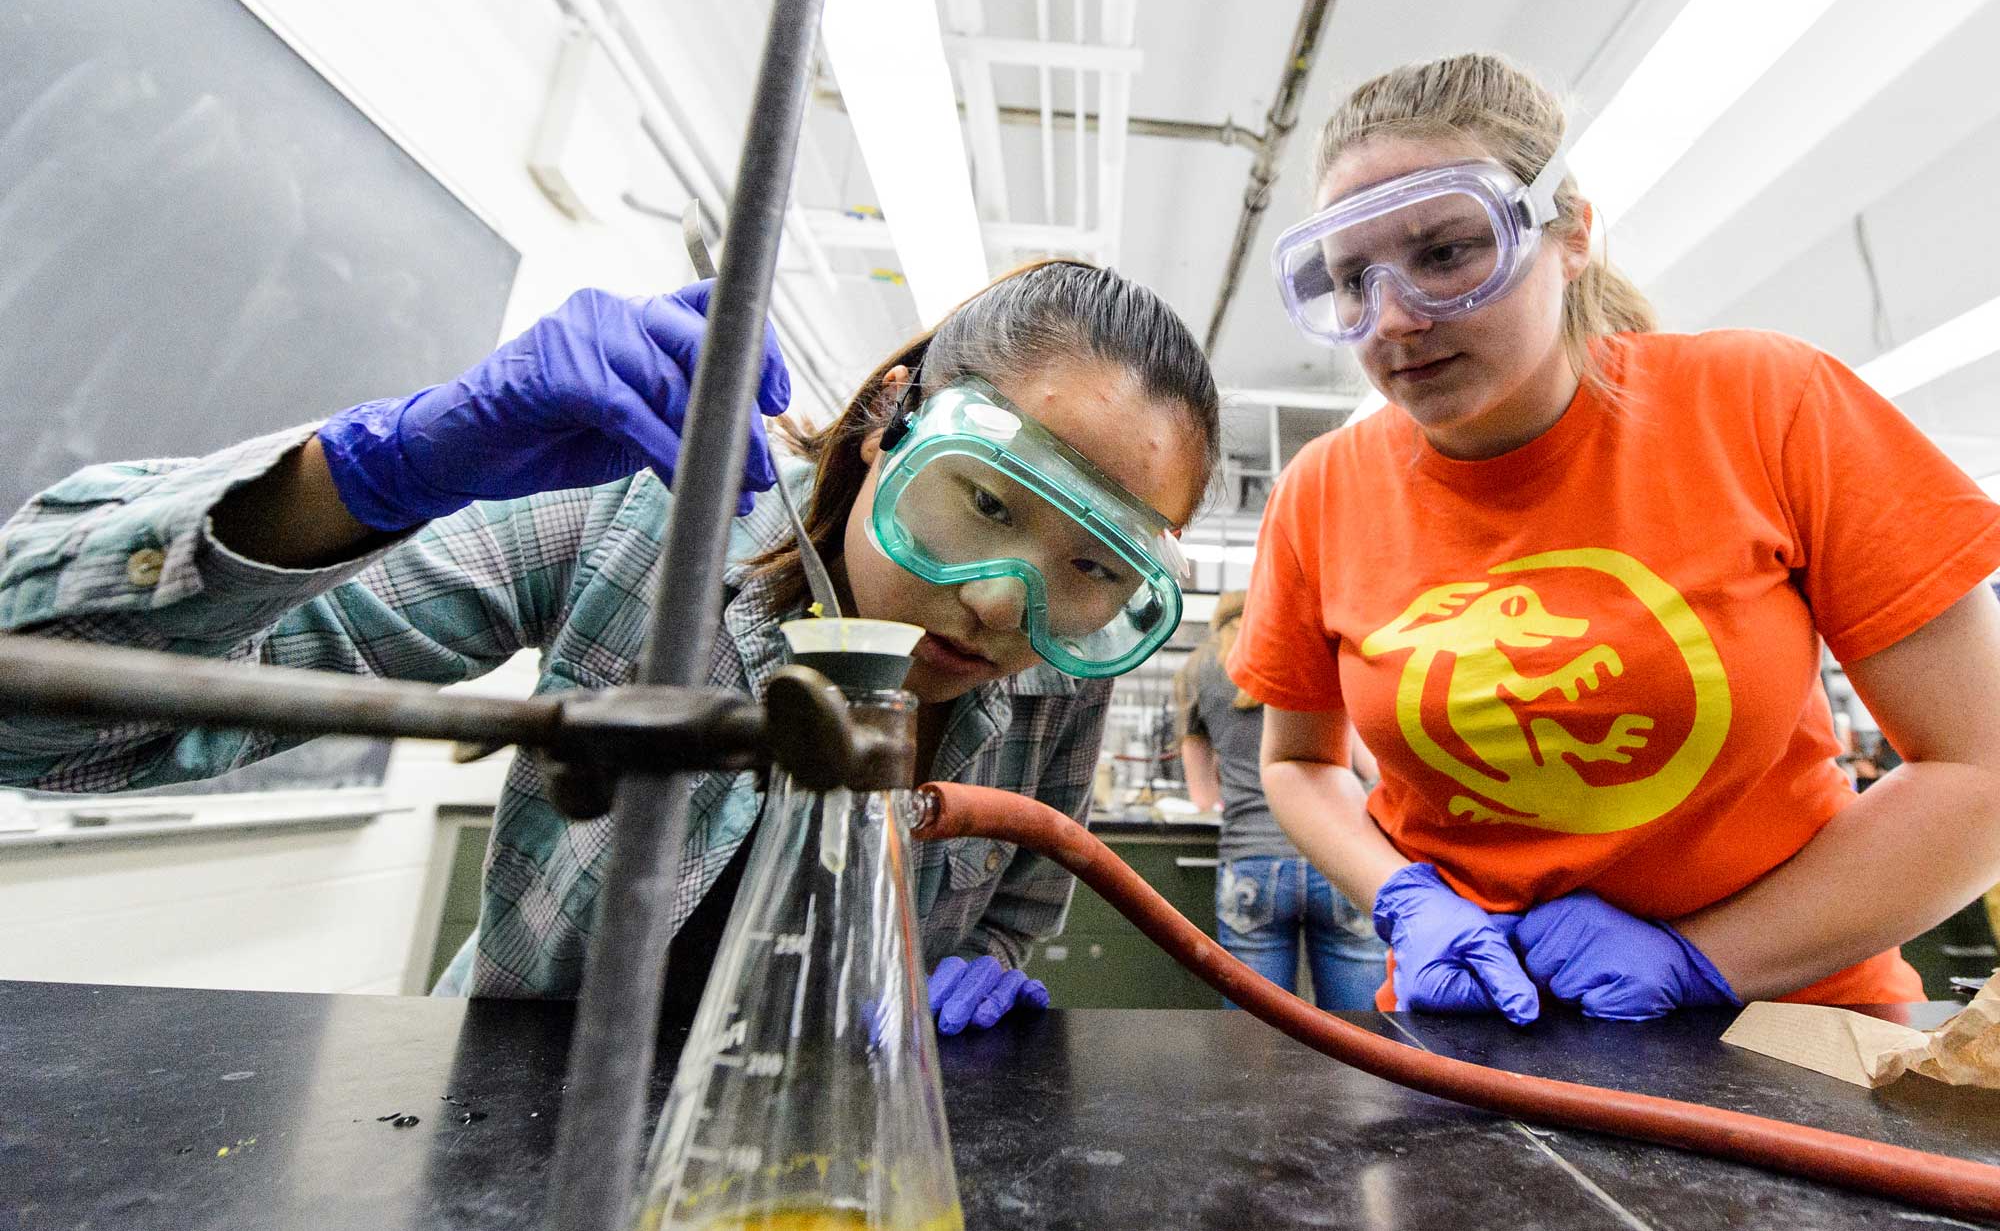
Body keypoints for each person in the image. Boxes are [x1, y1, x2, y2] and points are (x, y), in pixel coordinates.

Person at [0, 260, 1220, 1037]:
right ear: (890, 421)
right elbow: (44, 721)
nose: (1006, 609)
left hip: (826, 1136)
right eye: (988, 506)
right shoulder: (645, 518)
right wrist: (381, 466)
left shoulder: (1057, 668)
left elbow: (1018, 889)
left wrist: (990, 966)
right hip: (516, 1123)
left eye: (1093, 566)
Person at [1229, 52, 2000, 1024]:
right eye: (1350, 279)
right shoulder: (1321, 490)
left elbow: (1978, 767)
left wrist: (1701, 958)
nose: (1393, 318)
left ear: (1570, 234)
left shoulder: (1766, 405)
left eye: (1445, 254)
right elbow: (1295, 761)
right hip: (1476, 1021)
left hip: (1784, 1024)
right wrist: (1401, 895)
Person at [1176, 590, 1387, 1009]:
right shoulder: (1312, 653)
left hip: (1251, 857)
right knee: (1363, 1037)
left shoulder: (1197, 668)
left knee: (1254, 1032)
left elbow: (1203, 796)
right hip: (1342, 857)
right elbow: (1371, 768)